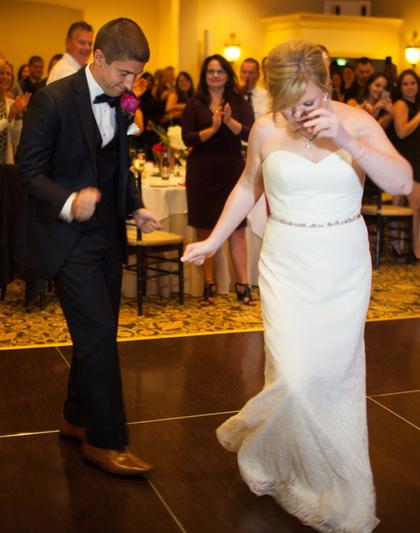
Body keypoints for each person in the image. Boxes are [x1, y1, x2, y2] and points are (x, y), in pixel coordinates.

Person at [182, 40, 412, 531]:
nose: (297, 114)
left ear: (326, 88)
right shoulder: (266, 129)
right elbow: (248, 185)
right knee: (292, 376)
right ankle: (274, 454)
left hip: (342, 264)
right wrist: (213, 241)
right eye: (286, 103)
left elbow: (402, 181)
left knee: (331, 377)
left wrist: (348, 141)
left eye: (306, 102)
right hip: (285, 262)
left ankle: (326, 478)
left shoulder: (357, 123)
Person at [15, 18, 161, 476]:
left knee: (98, 334)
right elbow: (28, 172)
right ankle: (106, 441)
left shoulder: (120, 101)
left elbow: (118, 165)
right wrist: (69, 201)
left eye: (136, 75)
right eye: (124, 73)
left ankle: (75, 417)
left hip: (108, 236)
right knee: (97, 335)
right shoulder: (53, 99)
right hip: (67, 238)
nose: (130, 84)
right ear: (98, 58)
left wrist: (136, 207)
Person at [181, 53, 255, 305]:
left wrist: (229, 121)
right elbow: (188, 138)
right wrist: (212, 128)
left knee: (237, 229)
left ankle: (243, 284)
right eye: (210, 71)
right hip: (202, 171)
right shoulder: (195, 103)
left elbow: (250, 133)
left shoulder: (239, 102)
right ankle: (209, 285)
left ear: (227, 75)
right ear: (204, 75)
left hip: (232, 171)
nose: (215, 75)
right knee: (205, 229)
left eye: (220, 71)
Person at [389, 69, 420, 258]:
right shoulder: (400, 104)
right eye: (405, 84)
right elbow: (401, 132)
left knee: (403, 202)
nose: (409, 87)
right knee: (415, 206)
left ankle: (398, 243)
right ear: (400, 88)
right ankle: (416, 250)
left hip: (416, 156)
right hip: (408, 159)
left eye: (413, 83)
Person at [0, 60, 28, 163]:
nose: (5, 77)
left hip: (6, 162)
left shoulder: (11, 103)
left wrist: (18, 117)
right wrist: (9, 117)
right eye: (1, 73)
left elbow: (15, 141)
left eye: (8, 74)